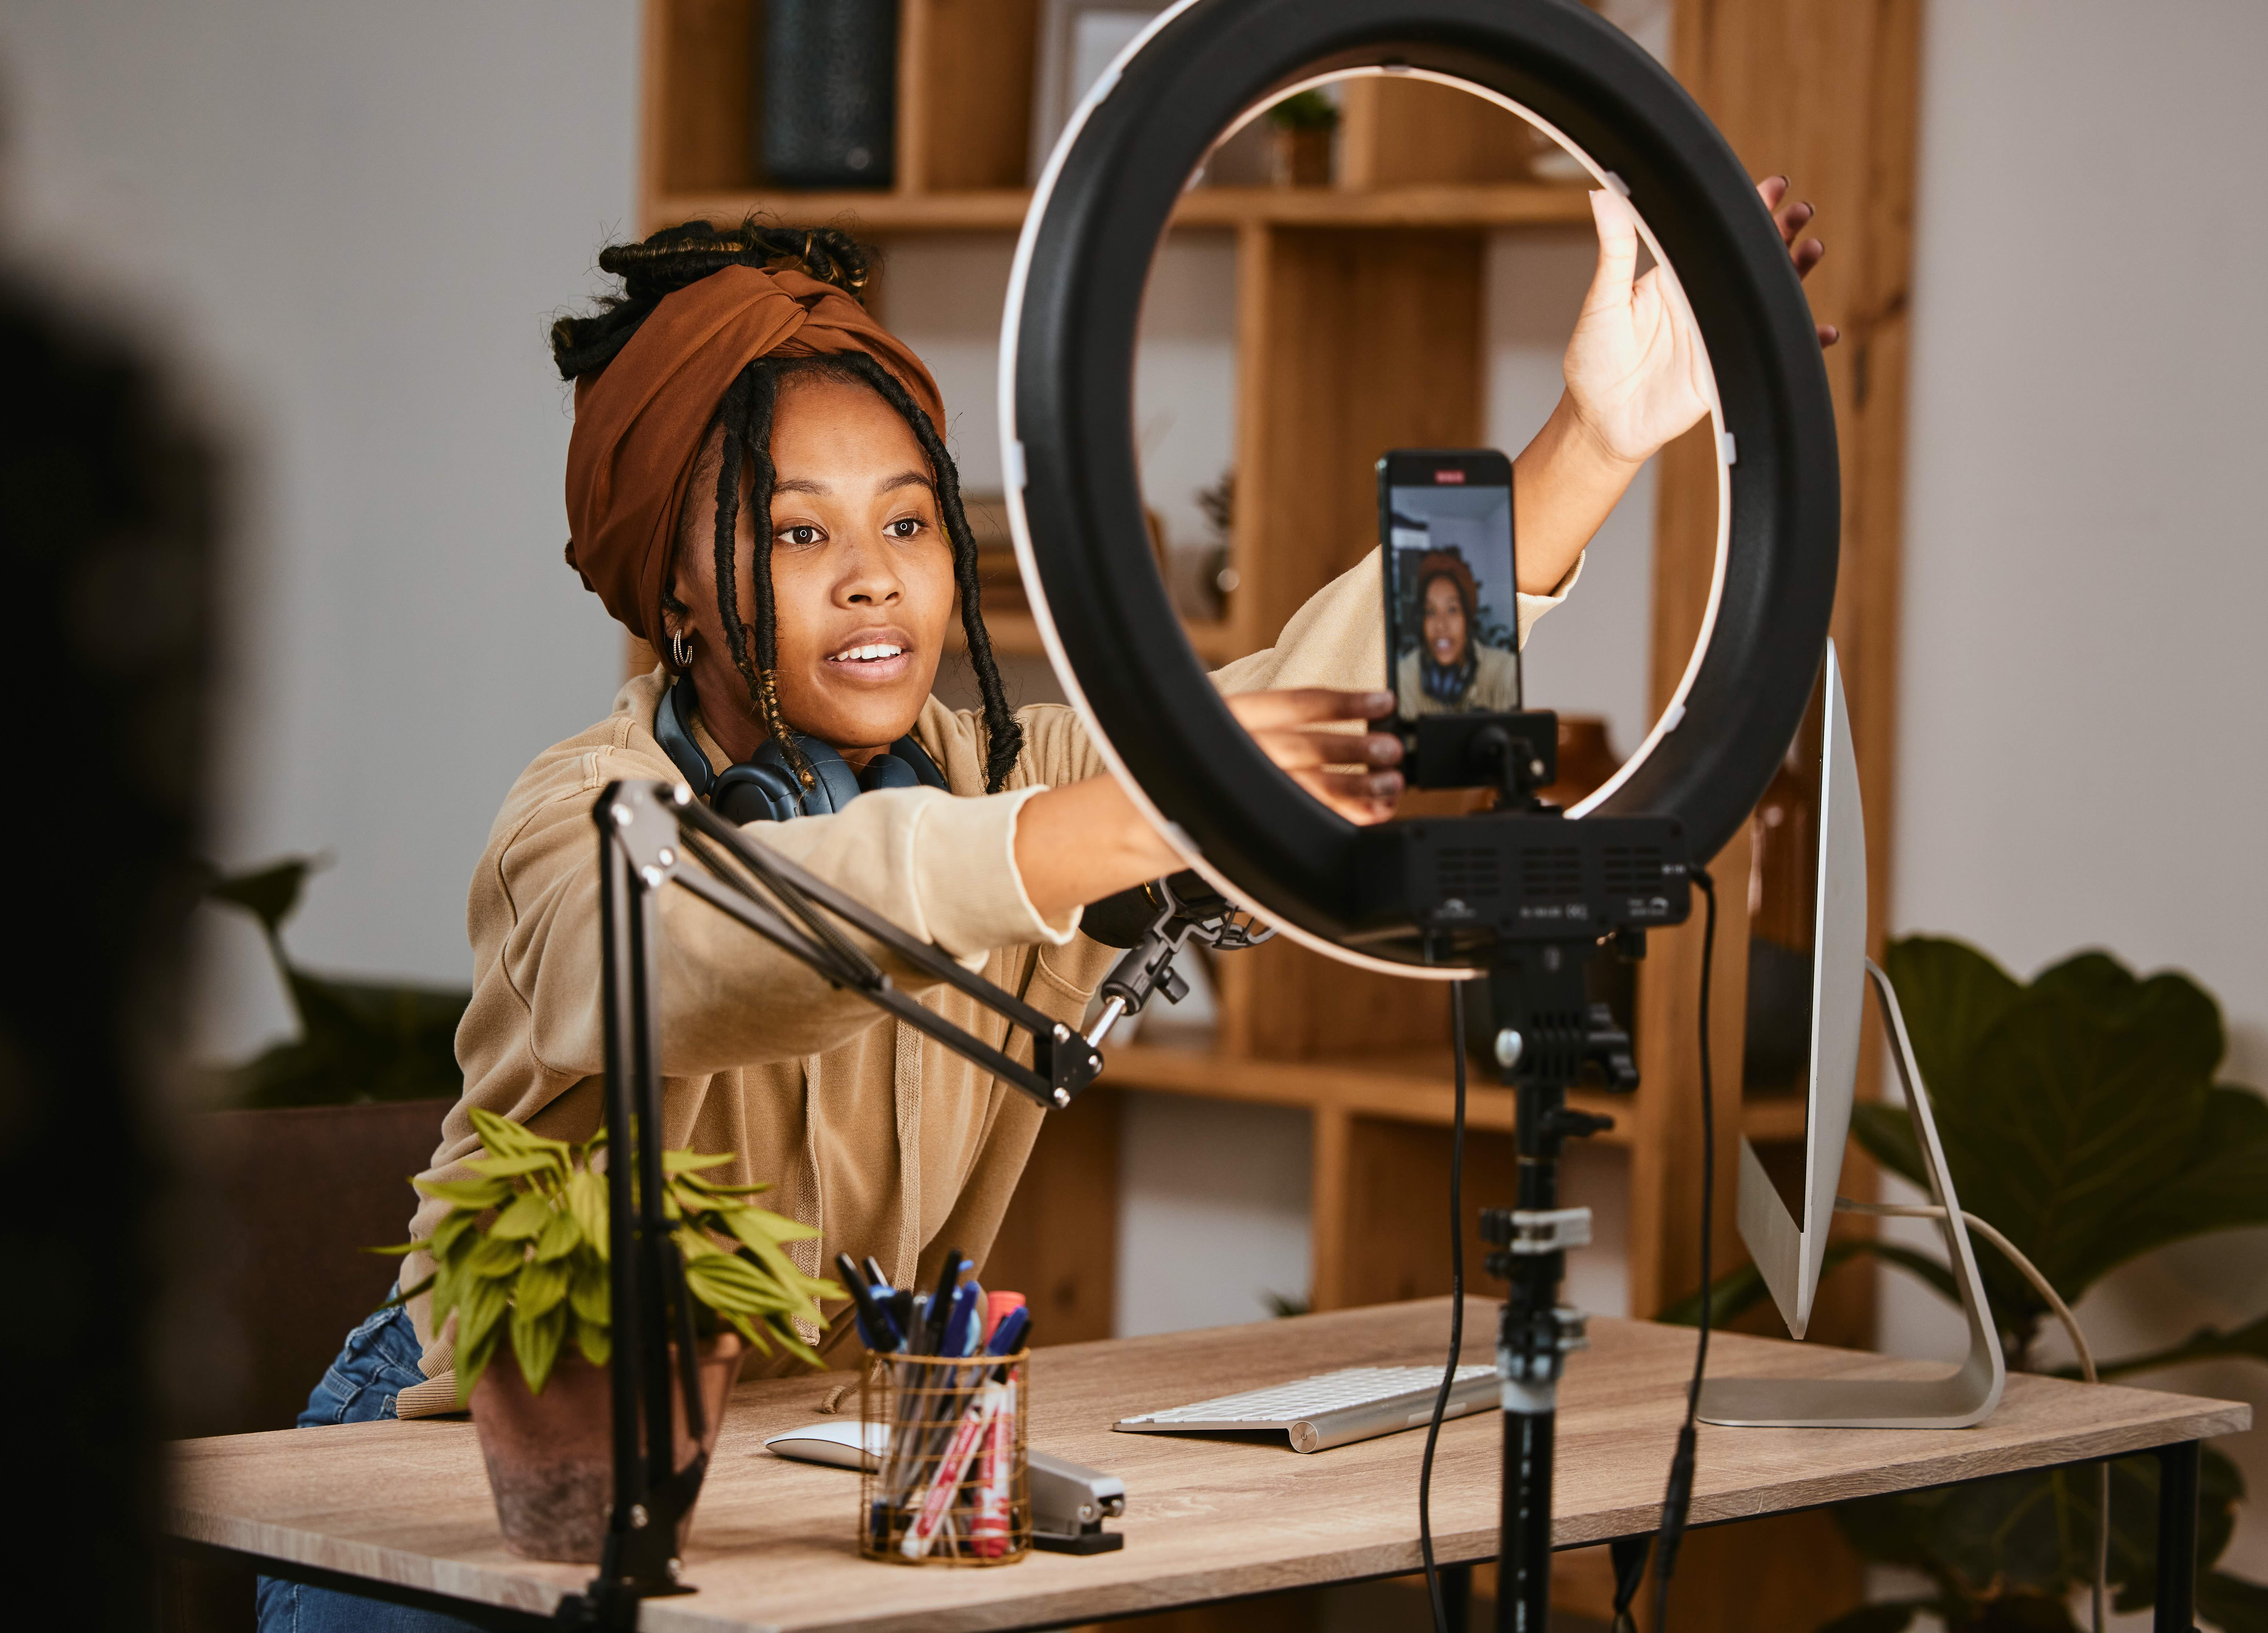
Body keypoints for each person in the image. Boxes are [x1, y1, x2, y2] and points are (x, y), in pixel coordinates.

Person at [262, 178, 1832, 1633]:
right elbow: (706, 948)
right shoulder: (580, 823)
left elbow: (1320, 702)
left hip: (800, 1452)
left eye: (905, 519)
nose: (871, 575)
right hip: (458, 1470)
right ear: (671, 582)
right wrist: (1087, 828)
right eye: (797, 530)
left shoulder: (1011, 771)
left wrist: (1593, 438)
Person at [1397, 548, 1519, 714]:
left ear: (1467, 619)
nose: (1441, 626)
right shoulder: (1405, 677)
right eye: (1431, 612)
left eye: (1452, 610)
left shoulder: (1506, 671)